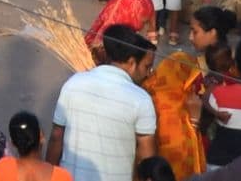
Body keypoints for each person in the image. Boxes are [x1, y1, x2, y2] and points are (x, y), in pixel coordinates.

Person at [53, 28, 161, 181]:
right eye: (146, 67)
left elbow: (57, 136)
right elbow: (146, 157)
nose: (148, 73)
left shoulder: (73, 83)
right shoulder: (141, 100)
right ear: (131, 63)